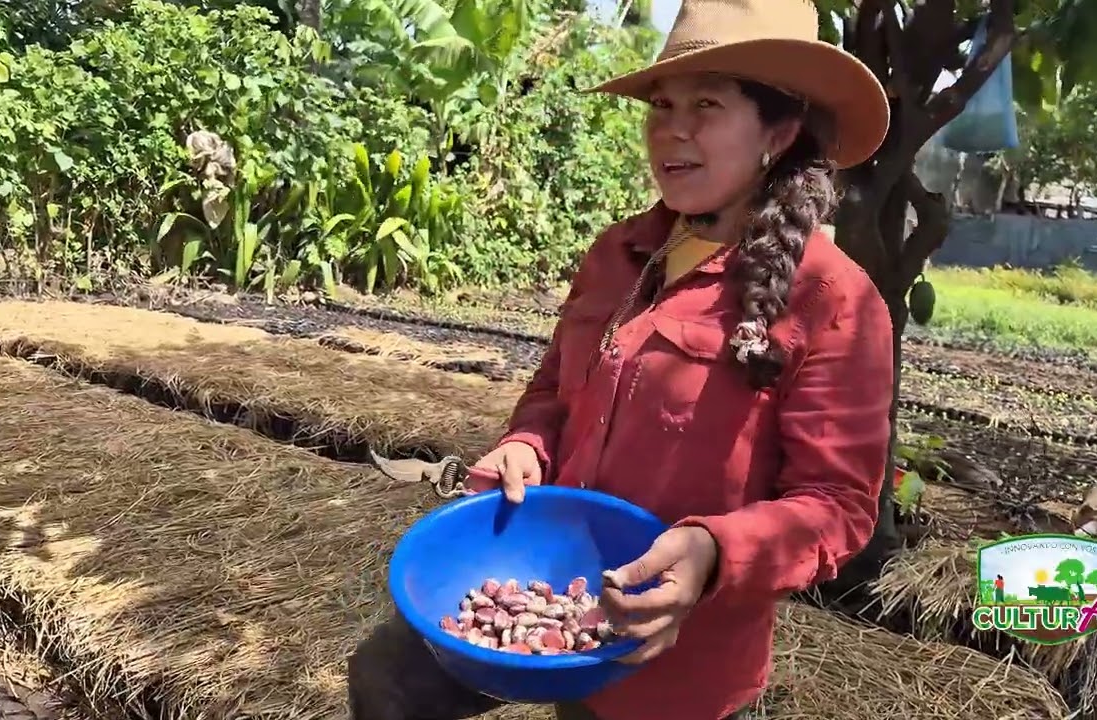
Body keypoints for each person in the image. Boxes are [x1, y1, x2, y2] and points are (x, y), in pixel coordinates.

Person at [348, 0, 894, 718]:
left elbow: (836, 506)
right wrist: (526, 443)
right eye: (662, 104)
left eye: (706, 105)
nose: (672, 129)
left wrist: (713, 551)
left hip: (679, 663)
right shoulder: (619, 253)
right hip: (549, 576)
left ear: (779, 131)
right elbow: (554, 390)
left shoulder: (833, 298)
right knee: (387, 676)